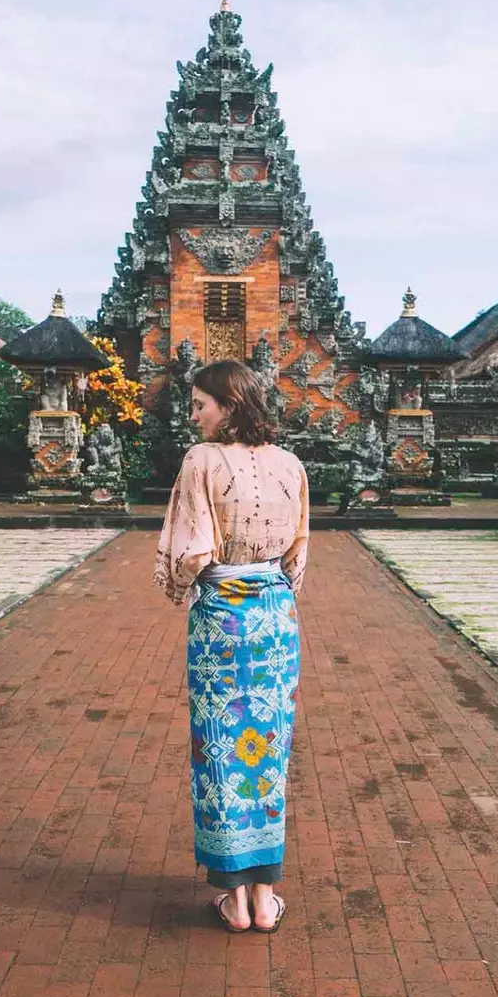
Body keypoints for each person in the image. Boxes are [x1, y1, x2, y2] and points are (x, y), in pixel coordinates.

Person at [154, 359, 310, 934]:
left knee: (219, 745)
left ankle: (235, 899)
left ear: (229, 403)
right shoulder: (291, 464)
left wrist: (180, 586)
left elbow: (190, 552)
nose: (194, 415)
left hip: (221, 617)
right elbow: (297, 555)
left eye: (200, 404)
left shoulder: (201, 460)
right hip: (274, 618)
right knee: (268, 747)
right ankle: (266, 897)